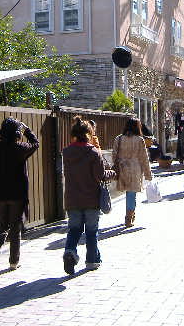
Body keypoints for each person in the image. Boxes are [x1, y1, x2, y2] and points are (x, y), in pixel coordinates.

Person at [0, 117, 39, 271]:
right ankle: (13, 262)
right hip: (17, 194)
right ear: (16, 133)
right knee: (15, 227)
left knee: (3, 224)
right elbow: (35, 144)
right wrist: (27, 131)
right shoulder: (20, 149)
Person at [62, 117, 116, 274]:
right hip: (91, 198)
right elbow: (100, 175)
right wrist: (112, 173)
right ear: (89, 134)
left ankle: (70, 252)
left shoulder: (67, 152)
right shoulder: (93, 152)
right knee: (92, 231)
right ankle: (92, 260)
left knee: (74, 229)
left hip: (72, 198)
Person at [113, 118, 152, 227]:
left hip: (122, 168)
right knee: (131, 193)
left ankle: (129, 216)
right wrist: (148, 173)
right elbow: (144, 158)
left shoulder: (119, 139)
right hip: (135, 169)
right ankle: (129, 217)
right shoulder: (139, 140)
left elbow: (114, 154)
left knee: (128, 192)